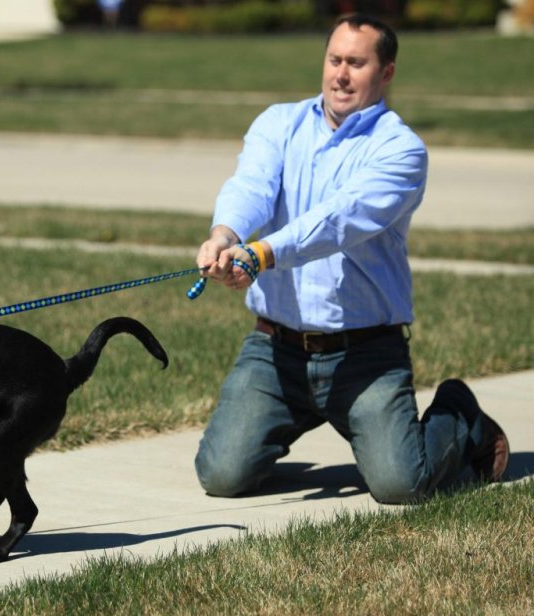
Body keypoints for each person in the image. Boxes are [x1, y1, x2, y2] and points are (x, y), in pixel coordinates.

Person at [193, 14, 509, 504]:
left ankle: (460, 414)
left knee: (403, 485)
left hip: (366, 355)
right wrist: (224, 234)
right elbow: (251, 186)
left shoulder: (400, 150)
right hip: (277, 349)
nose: (341, 74)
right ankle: (275, 425)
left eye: (356, 63)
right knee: (221, 476)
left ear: (386, 73)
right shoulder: (279, 122)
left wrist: (262, 252)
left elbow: (341, 219)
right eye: (334, 59)